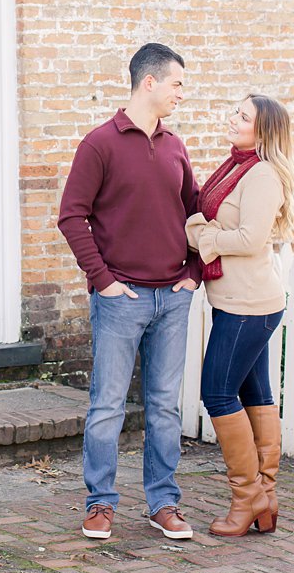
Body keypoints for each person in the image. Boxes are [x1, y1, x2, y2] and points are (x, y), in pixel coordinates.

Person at [58, 43, 203, 542]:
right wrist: (104, 281)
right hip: (121, 299)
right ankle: (100, 503)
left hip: (172, 298)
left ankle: (163, 503)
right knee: (107, 406)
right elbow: (71, 216)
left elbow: (196, 214)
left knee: (165, 406)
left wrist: (194, 271)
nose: (181, 93)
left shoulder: (175, 146)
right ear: (150, 83)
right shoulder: (99, 144)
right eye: (177, 83)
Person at [185, 94, 294, 538]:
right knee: (256, 393)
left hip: (249, 305)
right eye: (235, 111)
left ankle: (246, 497)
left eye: (243, 116)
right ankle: (265, 496)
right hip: (242, 300)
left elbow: (251, 239)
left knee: (217, 394)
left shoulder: (263, 174)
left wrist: (202, 235)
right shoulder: (238, 166)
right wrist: (205, 229)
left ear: (263, 130)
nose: (233, 119)